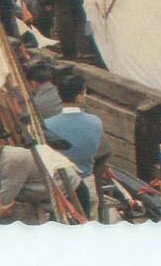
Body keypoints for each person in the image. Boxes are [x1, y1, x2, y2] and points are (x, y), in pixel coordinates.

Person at [44, 73, 103, 217]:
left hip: (61, 187)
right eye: (85, 93)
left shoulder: (47, 124)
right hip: (87, 181)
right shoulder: (96, 122)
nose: (86, 96)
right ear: (79, 97)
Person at [0, 123, 51, 224]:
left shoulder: (12, 159)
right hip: (35, 201)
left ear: (0, 143)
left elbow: (3, 202)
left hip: (61, 199)